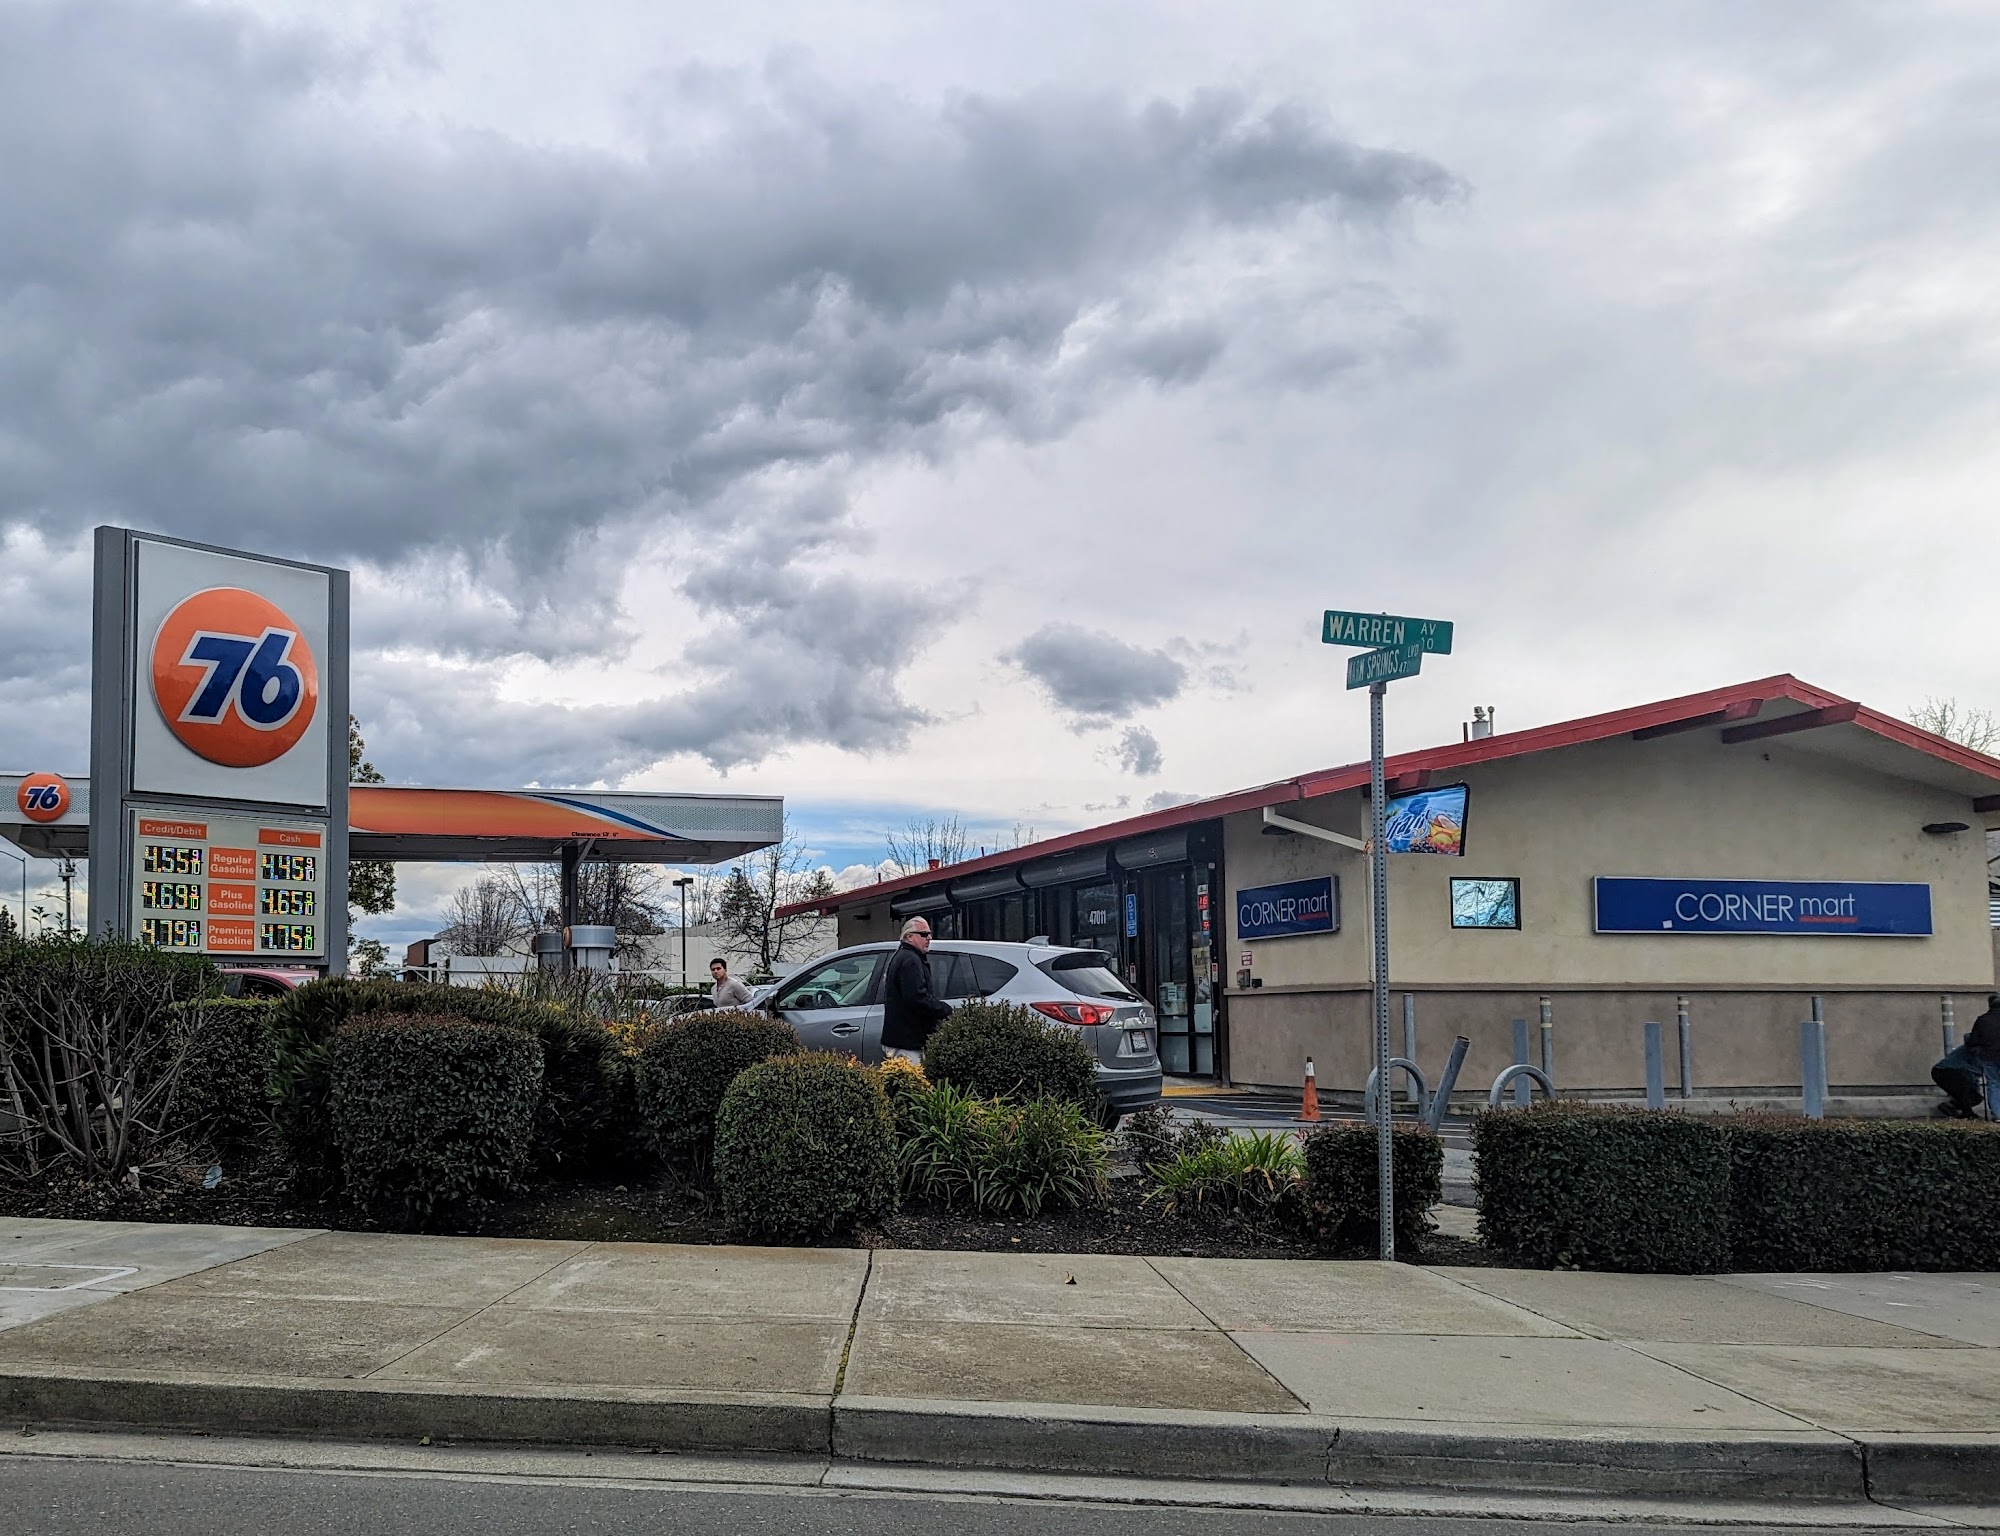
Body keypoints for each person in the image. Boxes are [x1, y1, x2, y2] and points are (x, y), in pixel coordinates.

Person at [880, 916, 952, 1062]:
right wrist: (945, 1010)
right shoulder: (910, 960)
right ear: (909, 937)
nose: (929, 938)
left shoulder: (905, 956)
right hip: (907, 1043)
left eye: (929, 933)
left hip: (904, 1040)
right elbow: (917, 998)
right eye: (924, 934)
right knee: (911, 1077)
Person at [1932, 994, 2000, 1118]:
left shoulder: (1983, 1022)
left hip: (1944, 1071)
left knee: (1974, 1093)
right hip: (1946, 1071)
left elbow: (1971, 1039)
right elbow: (1970, 1071)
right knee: (1971, 1094)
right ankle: (1961, 1111)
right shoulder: (1977, 1053)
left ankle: (1961, 1110)